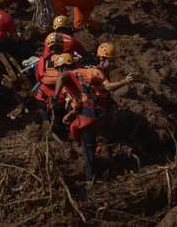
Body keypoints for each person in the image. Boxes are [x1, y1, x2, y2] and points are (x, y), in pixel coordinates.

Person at [53, 46, 134, 183]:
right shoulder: (87, 73)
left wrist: (55, 98)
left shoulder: (75, 75)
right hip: (94, 112)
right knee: (86, 140)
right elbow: (83, 96)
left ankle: (92, 177)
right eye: (112, 60)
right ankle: (97, 168)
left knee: (87, 146)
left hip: (90, 113)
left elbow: (64, 79)